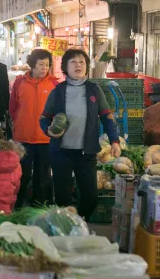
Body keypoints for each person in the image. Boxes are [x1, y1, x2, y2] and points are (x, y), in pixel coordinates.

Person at [40, 49, 121, 220]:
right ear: (65, 67)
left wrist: (114, 140)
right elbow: (44, 118)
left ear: (86, 67)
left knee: (90, 196)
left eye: (81, 62)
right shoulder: (58, 91)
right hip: (61, 152)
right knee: (62, 197)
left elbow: (107, 116)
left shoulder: (94, 90)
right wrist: (48, 130)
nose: (78, 65)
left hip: (86, 153)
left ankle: (80, 219)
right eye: (73, 62)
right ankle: (67, 226)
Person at [9, 49, 58, 208]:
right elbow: (13, 108)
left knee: (42, 176)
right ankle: (16, 207)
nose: (45, 68)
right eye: (41, 65)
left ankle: (39, 208)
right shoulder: (19, 82)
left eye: (47, 65)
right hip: (22, 138)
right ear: (32, 65)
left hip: (45, 139)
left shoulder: (54, 84)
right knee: (21, 175)